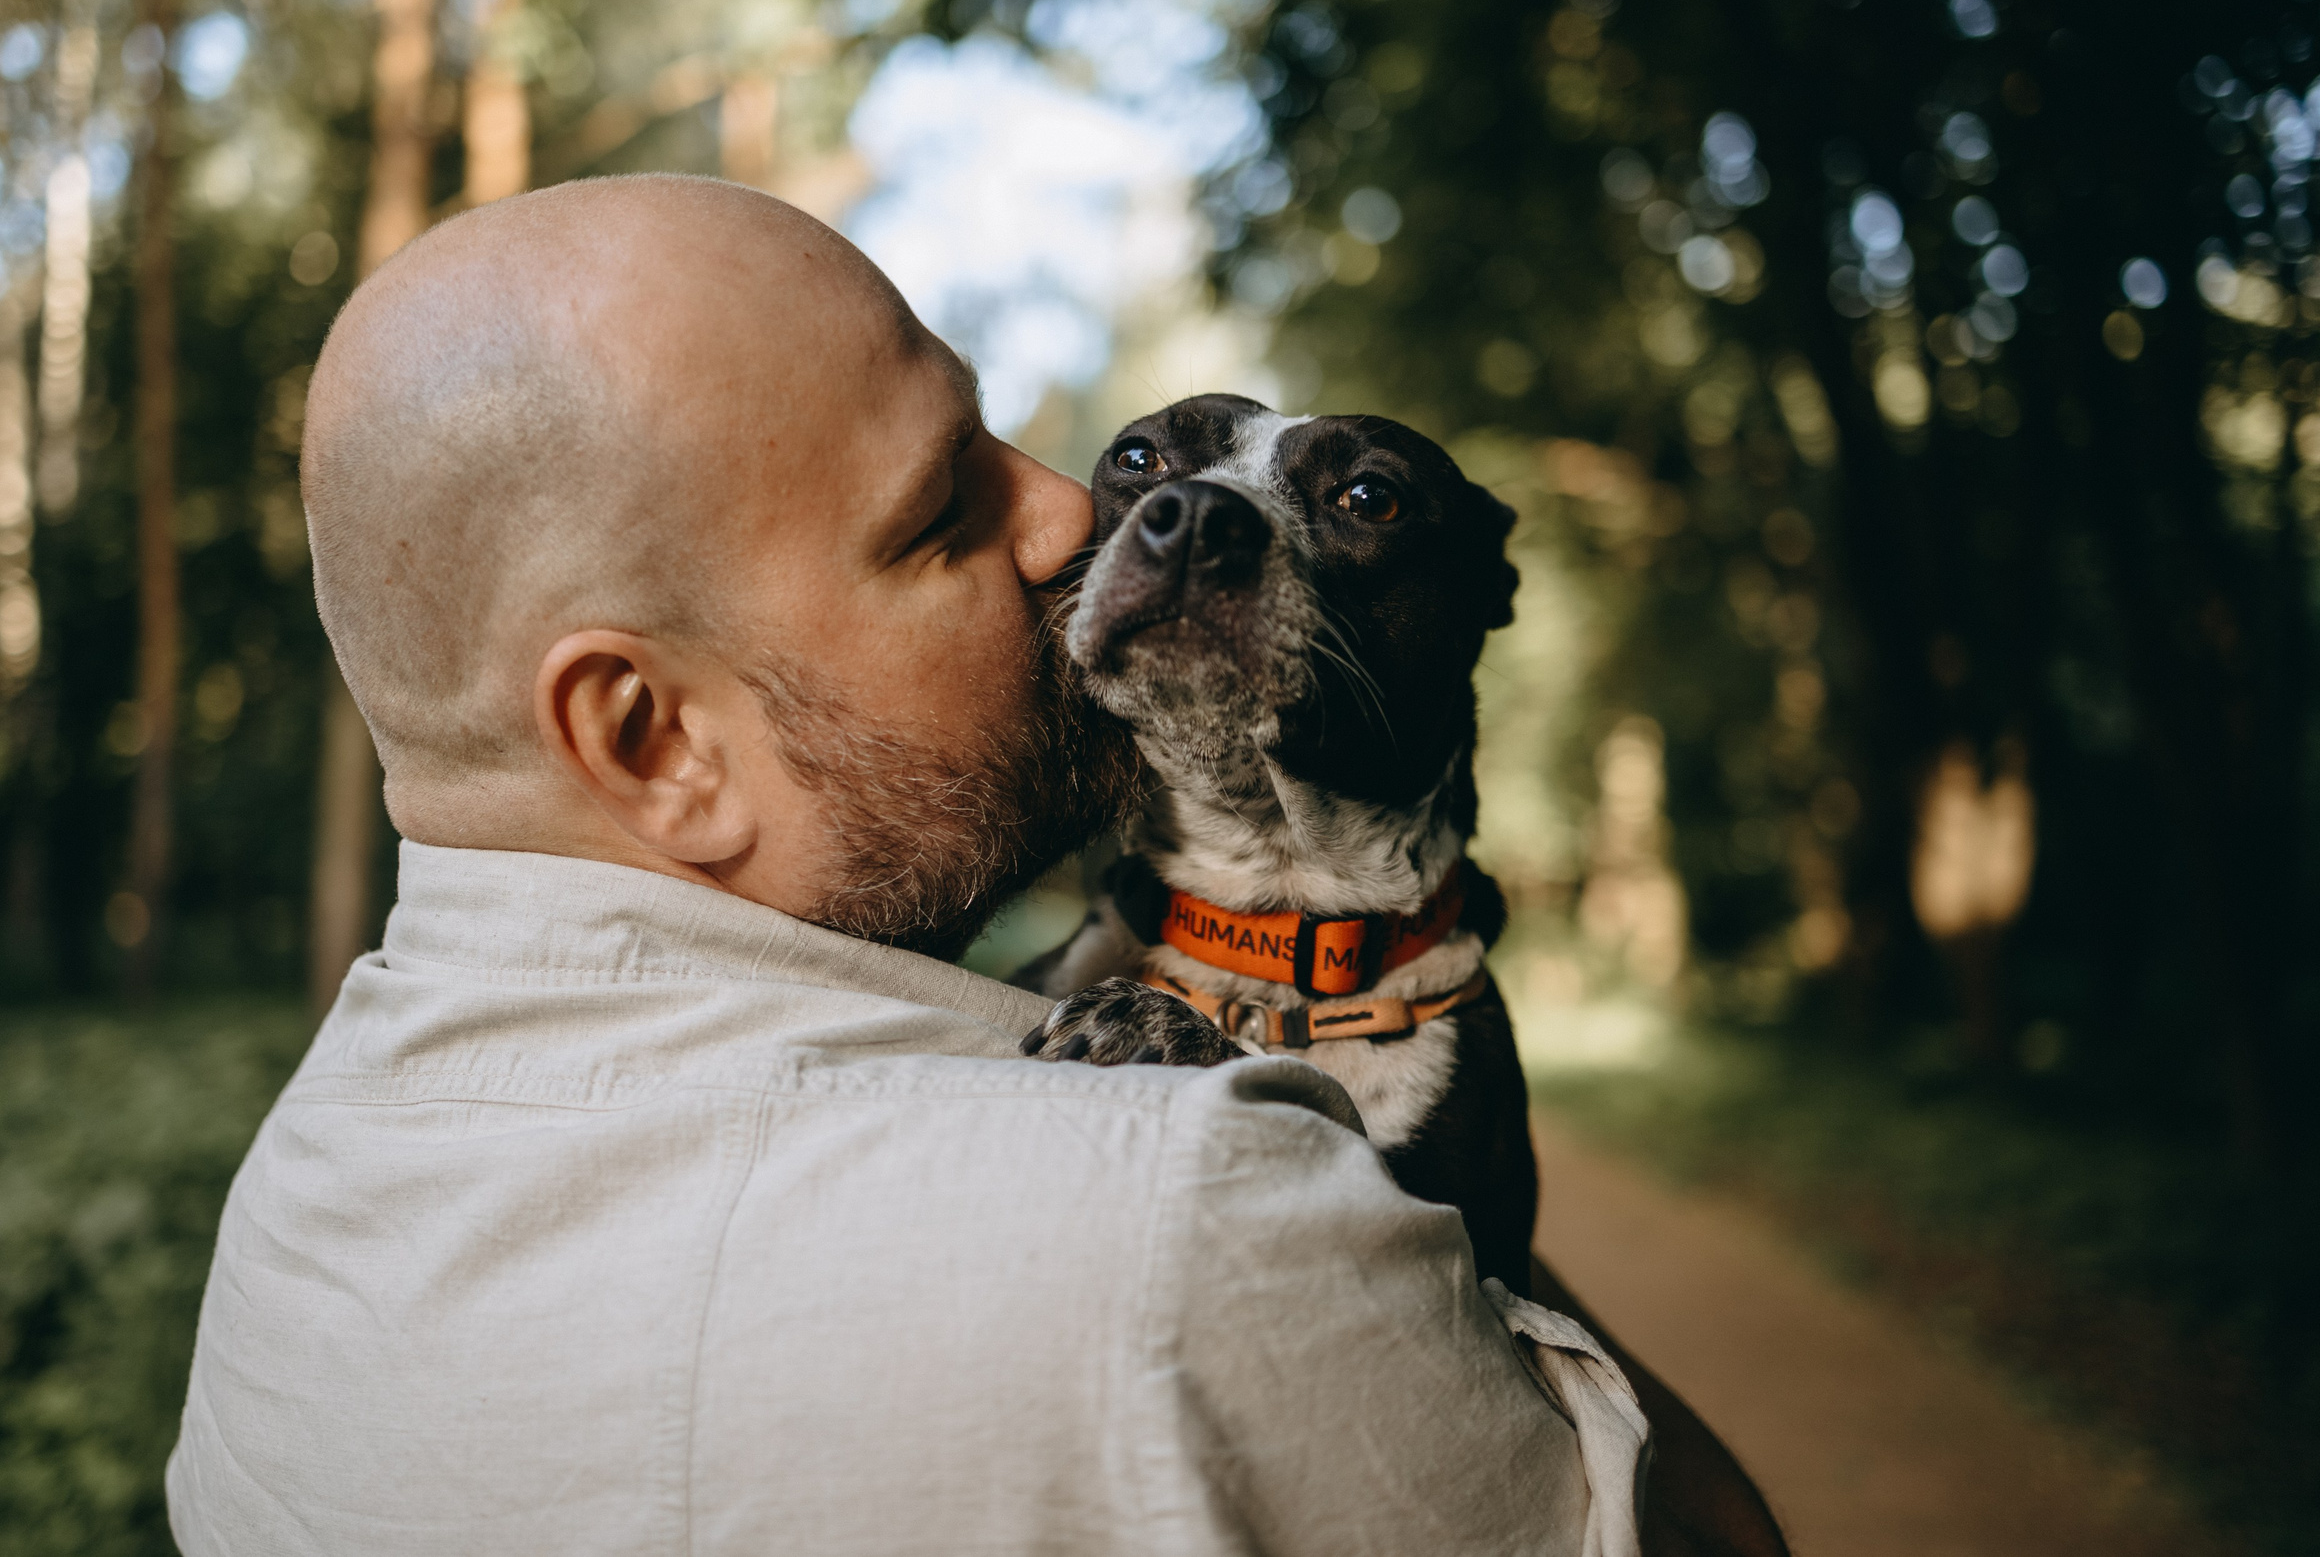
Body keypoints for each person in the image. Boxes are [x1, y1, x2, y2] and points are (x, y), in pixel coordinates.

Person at [166, 175, 1785, 1556]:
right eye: (942, 510)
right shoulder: (1189, 1220)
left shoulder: (284, 1218)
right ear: (656, 742)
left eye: (1029, 445)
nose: (1081, 519)